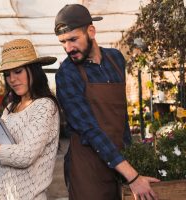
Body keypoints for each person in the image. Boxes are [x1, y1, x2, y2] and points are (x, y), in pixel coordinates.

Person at [54, 4, 160, 200]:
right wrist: (133, 176)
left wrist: (132, 160)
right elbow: (90, 130)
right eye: (63, 42)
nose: (68, 48)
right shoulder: (67, 74)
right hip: (88, 170)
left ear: (91, 31)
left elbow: (121, 117)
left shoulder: (116, 59)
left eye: (73, 39)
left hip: (120, 164)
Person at [0, 39, 60, 200]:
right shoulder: (10, 107)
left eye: (18, 71)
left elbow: (25, 156)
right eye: (7, 74)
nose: (12, 79)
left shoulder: (44, 106)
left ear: (33, 70)